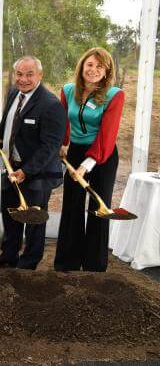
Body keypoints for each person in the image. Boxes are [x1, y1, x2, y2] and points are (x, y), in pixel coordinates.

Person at [0, 56, 65, 270]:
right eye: (19, 74)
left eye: (30, 74)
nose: (24, 79)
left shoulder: (51, 105)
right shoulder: (13, 94)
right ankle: (9, 254)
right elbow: (9, 120)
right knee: (10, 213)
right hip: (10, 167)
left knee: (33, 220)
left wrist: (25, 171)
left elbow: (50, 147)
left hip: (36, 174)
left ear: (40, 75)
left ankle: (29, 262)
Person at [54, 47, 124, 272]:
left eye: (99, 66)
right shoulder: (68, 90)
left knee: (98, 207)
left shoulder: (115, 95)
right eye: (89, 65)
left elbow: (108, 134)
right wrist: (62, 145)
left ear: (107, 71)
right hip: (75, 152)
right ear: (82, 67)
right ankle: (68, 262)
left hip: (102, 156)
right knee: (72, 205)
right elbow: (63, 122)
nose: (93, 70)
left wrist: (86, 165)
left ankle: (95, 265)